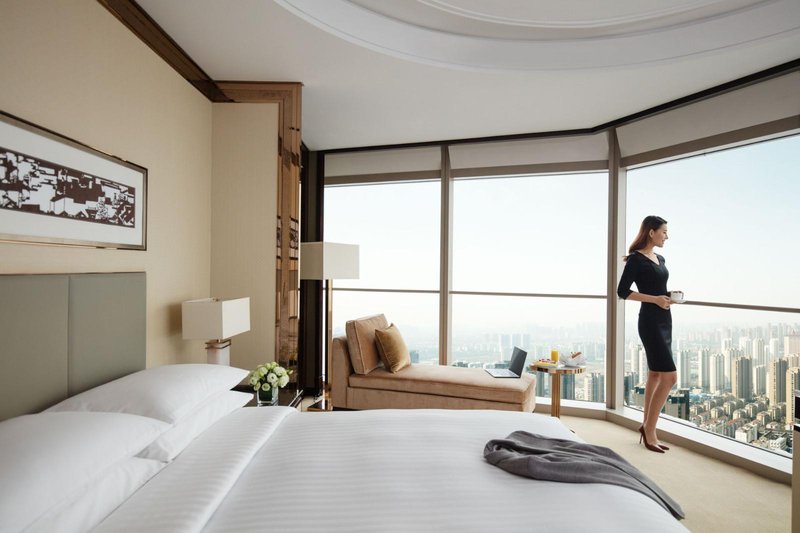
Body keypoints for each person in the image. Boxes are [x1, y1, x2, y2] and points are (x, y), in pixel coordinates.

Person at [617, 215, 681, 453]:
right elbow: (622, 291)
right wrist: (655, 299)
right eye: (664, 231)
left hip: (665, 319)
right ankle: (650, 430)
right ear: (651, 232)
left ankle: (646, 425)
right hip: (650, 322)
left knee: (655, 374)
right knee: (670, 377)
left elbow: (657, 288)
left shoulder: (660, 258)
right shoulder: (636, 259)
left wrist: (669, 295)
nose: (667, 236)